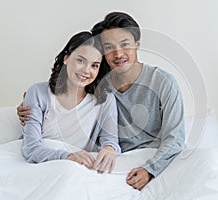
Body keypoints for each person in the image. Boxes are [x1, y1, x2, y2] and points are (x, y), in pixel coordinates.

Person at [18, 12, 185, 190]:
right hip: (114, 162)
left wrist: (150, 170)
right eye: (109, 47)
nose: (118, 53)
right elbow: (60, 97)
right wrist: (29, 110)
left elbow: (175, 137)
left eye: (125, 44)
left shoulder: (163, 83)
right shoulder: (97, 84)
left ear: (137, 44)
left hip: (153, 160)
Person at [21, 31, 121, 174]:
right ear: (66, 58)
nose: (86, 70)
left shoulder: (105, 99)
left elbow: (111, 141)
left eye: (94, 65)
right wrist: (66, 157)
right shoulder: (38, 93)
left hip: (77, 168)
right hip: (39, 164)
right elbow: (31, 148)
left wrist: (109, 148)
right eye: (80, 60)